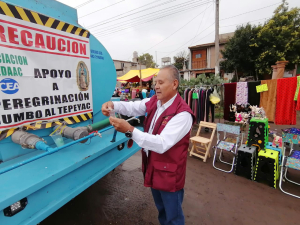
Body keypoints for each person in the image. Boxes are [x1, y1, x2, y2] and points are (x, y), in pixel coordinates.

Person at [101, 65, 195, 225]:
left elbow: (161, 143)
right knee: (162, 211)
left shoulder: (182, 114)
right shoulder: (156, 102)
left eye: (161, 82)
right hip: (154, 168)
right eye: (155, 82)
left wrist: (130, 130)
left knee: (173, 217)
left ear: (174, 84)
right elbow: (133, 106)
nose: (156, 86)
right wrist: (113, 105)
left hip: (169, 176)